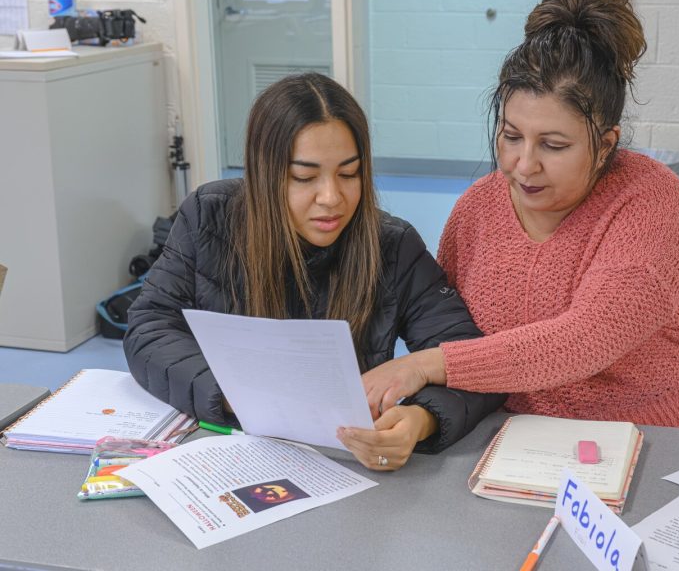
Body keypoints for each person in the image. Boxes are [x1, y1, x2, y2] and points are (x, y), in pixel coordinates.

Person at [362, 0, 679, 432]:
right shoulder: (476, 212)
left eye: (554, 146)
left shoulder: (651, 201)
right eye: (511, 136)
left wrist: (424, 365)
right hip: (522, 448)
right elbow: (456, 339)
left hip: (668, 437)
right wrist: (420, 414)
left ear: (604, 145)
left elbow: (585, 339)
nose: (524, 166)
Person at [123, 73, 505, 471]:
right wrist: (230, 393)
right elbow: (149, 326)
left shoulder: (391, 245)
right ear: (264, 174)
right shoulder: (209, 216)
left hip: (344, 465)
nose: (331, 198)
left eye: (349, 173)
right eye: (304, 177)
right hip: (228, 456)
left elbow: (472, 358)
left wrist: (421, 419)